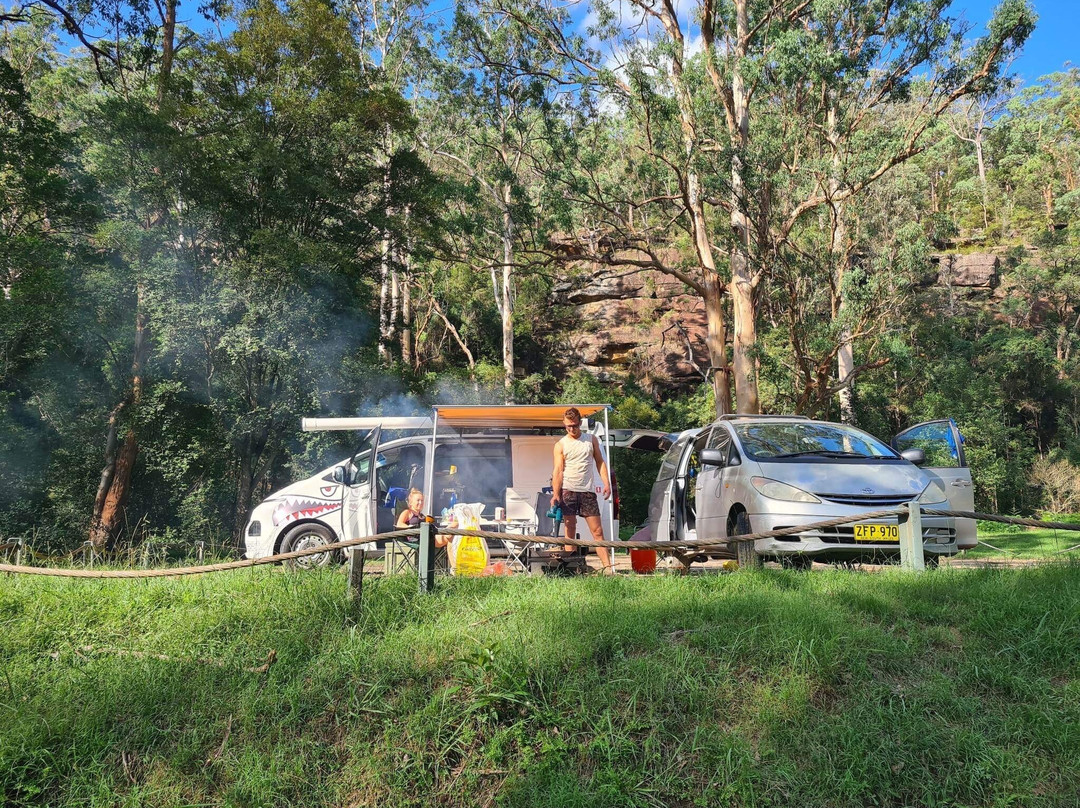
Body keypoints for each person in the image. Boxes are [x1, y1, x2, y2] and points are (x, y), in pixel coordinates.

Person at [551, 407, 614, 574]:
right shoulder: (561, 444)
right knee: (570, 529)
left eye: (575, 425)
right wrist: (555, 494)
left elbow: (600, 462)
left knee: (598, 532)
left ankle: (608, 569)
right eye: (568, 426)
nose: (572, 429)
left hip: (587, 491)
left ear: (580, 423)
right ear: (564, 425)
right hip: (568, 490)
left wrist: (607, 483)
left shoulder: (591, 440)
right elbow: (558, 470)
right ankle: (569, 569)